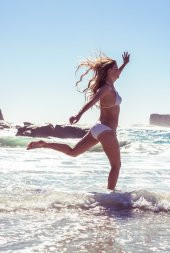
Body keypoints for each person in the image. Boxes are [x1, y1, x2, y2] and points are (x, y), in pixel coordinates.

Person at [27, 52, 130, 190]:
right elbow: (92, 101)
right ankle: (111, 198)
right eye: (116, 68)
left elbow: (117, 75)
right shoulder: (106, 88)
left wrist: (124, 64)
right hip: (106, 130)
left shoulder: (110, 84)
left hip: (98, 128)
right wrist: (78, 115)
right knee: (116, 166)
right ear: (109, 71)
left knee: (73, 152)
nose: (119, 72)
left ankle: (44, 144)